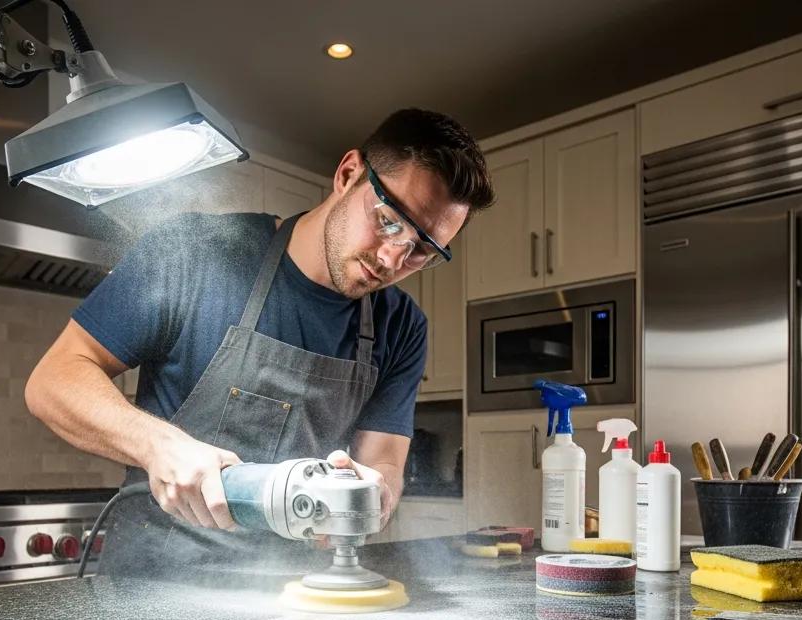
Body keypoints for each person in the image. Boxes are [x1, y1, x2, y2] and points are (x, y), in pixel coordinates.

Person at [25, 108, 494, 578]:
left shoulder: (402, 327)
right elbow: (53, 380)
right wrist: (159, 447)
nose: (395, 257)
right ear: (349, 174)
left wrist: (376, 492)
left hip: (292, 595)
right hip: (150, 587)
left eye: (423, 250)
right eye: (389, 220)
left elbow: (384, 461)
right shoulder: (196, 252)